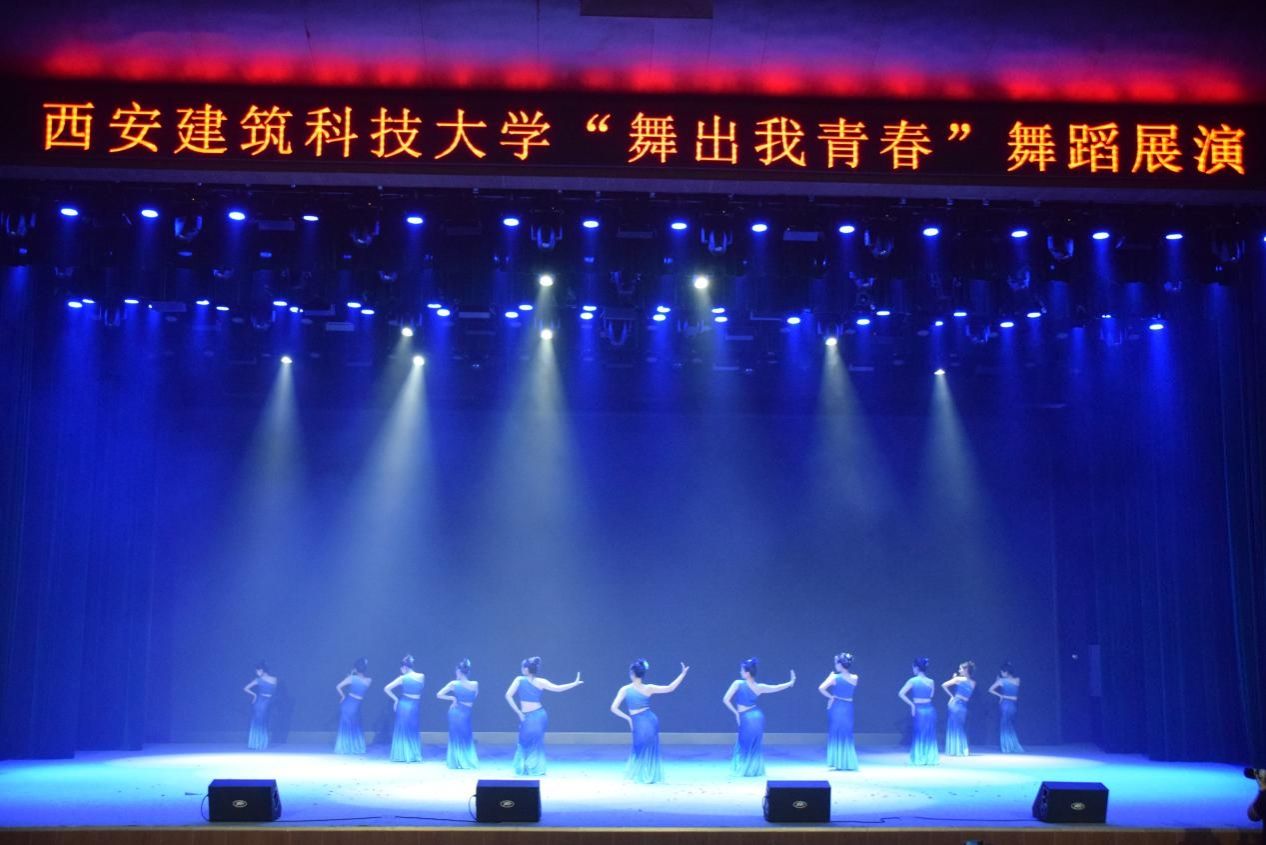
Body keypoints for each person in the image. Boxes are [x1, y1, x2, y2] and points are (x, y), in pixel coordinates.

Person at [609, 659, 689, 784]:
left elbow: (613, 708)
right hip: (648, 720)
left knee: (640, 747)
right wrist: (682, 674)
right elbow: (670, 688)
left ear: (632, 674)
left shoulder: (625, 689)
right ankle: (647, 774)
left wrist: (628, 718)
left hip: (642, 721)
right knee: (645, 747)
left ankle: (644, 775)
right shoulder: (648, 688)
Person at [504, 656, 583, 775]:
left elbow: (557, 688)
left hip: (538, 716)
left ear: (526, 669)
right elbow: (508, 695)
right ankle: (526, 767)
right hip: (530, 715)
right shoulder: (520, 680)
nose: (522, 669)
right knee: (524, 740)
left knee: (535, 742)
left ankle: (533, 769)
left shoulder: (534, 681)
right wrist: (519, 712)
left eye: (523, 667)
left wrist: (574, 683)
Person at [723, 658, 796, 777]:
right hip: (757, 716)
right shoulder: (759, 687)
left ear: (747, 673)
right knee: (754, 744)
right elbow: (776, 687)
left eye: (742, 670)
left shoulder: (738, 683)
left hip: (746, 717)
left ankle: (744, 770)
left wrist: (736, 713)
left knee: (744, 743)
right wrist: (790, 683)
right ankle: (753, 770)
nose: (740, 672)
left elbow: (725, 699)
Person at [818, 652, 859, 771]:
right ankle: (847, 762)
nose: (835, 665)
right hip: (848, 707)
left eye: (836, 663)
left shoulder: (834, 677)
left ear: (840, 664)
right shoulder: (855, 677)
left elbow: (821, 688)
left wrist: (831, 697)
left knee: (835, 731)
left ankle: (837, 762)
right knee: (847, 732)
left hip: (836, 706)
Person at [436, 658, 479, 769]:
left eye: (456, 671)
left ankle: (457, 760)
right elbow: (474, 697)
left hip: (459, 712)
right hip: (462, 711)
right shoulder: (475, 684)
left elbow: (439, 694)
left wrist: (453, 698)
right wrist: (454, 698)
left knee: (460, 735)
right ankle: (461, 760)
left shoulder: (454, 684)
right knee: (463, 735)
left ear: (459, 672)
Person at [384, 655, 425, 762]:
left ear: (405, 667)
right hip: (414, 705)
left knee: (403, 729)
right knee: (412, 729)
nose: (400, 670)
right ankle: (412, 754)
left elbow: (386, 688)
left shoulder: (402, 678)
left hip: (404, 705)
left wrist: (396, 699)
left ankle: (403, 754)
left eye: (401, 667)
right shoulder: (421, 676)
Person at [898, 657, 939, 766]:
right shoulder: (931, 681)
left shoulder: (912, 680)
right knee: (929, 734)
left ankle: (919, 758)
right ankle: (929, 758)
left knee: (919, 733)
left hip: (919, 710)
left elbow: (901, 693)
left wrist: (912, 704)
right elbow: (931, 695)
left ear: (916, 668)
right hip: (930, 710)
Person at [334, 658, 371, 755]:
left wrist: (342, 696)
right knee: (356, 726)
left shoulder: (351, 678)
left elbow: (338, 686)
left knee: (347, 726)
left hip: (348, 704)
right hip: (356, 705)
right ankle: (355, 747)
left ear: (355, 668)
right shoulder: (368, 680)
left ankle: (345, 747)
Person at [942, 660, 976, 757]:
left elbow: (943, 685)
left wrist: (951, 696)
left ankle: (955, 749)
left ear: (966, 670)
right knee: (959, 726)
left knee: (954, 725)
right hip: (963, 706)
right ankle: (961, 749)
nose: (959, 670)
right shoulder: (973, 683)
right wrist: (955, 679)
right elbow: (965, 692)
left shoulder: (958, 679)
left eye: (960, 669)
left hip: (956, 703)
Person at [988, 662, 1024, 753]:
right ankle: (1010, 745)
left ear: (1006, 672)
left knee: (1005, 724)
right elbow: (1014, 696)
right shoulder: (1017, 680)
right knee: (1008, 724)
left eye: (1002, 671)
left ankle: (1007, 746)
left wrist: (1001, 696)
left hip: (1005, 704)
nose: (1001, 673)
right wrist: (1001, 695)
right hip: (1011, 705)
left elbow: (990, 689)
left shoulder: (1001, 681)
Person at [243, 661, 277, 750]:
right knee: (260, 721)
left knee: (260, 721)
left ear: (261, 670)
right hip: (263, 702)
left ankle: (258, 743)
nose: (256, 673)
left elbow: (246, 688)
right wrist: (255, 695)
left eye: (257, 671)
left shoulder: (259, 680)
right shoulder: (273, 679)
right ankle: (258, 744)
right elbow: (245, 688)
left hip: (263, 702)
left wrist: (255, 695)